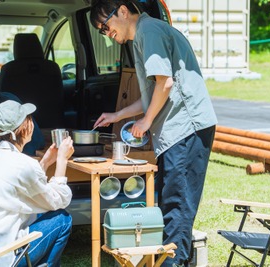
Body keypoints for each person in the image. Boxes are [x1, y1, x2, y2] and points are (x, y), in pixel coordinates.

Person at [90, 1, 218, 266]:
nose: (106, 33)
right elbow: (152, 96)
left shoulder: (149, 32)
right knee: (171, 202)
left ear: (122, 11)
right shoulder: (142, 37)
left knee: (177, 205)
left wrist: (146, 123)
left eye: (105, 25)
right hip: (178, 131)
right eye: (101, 31)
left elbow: (165, 82)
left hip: (187, 128)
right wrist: (118, 116)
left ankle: (175, 262)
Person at [0, 100, 74, 267]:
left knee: (39, 213)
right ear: (24, 128)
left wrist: (45, 163)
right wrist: (62, 160)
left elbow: (23, 187)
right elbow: (57, 200)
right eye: (28, 119)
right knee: (62, 219)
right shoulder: (23, 164)